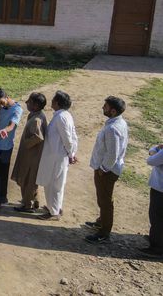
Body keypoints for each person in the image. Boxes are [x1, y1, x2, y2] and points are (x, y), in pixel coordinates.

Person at [85, 96, 129, 244]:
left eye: (106, 106)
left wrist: (103, 169)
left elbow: (113, 154)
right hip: (107, 168)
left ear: (113, 110)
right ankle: (101, 221)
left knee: (105, 201)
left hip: (107, 171)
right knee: (102, 198)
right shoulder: (118, 122)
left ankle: (104, 232)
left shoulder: (112, 128)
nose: (103, 108)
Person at [36, 91, 79, 221]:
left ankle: (53, 212)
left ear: (58, 103)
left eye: (54, 100)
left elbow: (68, 139)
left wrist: (71, 153)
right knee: (54, 183)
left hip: (56, 156)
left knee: (53, 184)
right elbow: (73, 136)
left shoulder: (61, 117)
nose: (52, 102)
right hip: (56, 155)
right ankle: (54, 206)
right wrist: (71, 152)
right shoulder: (64, 115)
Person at [11, 92, 48, 213]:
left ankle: (27, 205)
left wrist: (26, 143)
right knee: (31, 181)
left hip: (32, 157)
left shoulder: (36, 119)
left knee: (28, 181)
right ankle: (34, 201)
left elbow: (38, 137)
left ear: (36, 105)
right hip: (32, 156)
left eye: (30, 102)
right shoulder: (38, 115)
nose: (27, 103)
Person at [142, 143, 163, 257]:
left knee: (156, 217)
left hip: (160, 189)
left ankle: (157, 247)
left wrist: (155, 150)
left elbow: (151, 160)